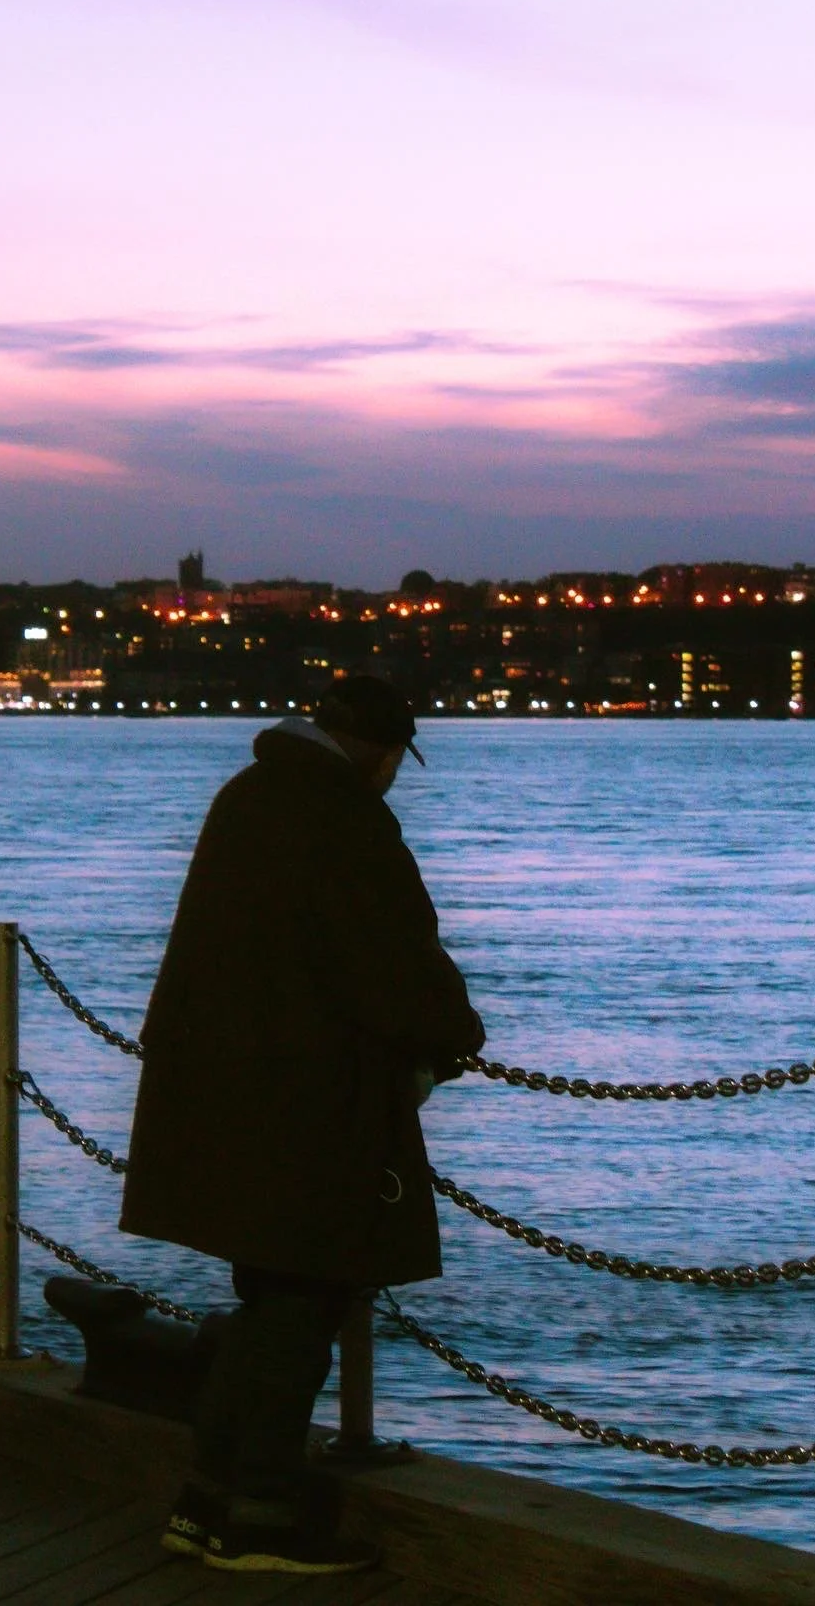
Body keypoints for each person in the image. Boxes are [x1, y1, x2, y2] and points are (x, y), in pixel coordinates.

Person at [119, 674, 486, 1575]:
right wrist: (454, 1037)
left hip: (225, 1095)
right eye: (398, 759)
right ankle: (261, 1520)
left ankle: (207, 1503)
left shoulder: (249, 795)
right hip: (306, 1103)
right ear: (381, 748)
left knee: (269, 1299)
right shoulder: (345, 819)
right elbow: (394, 955)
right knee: (303, 1302)